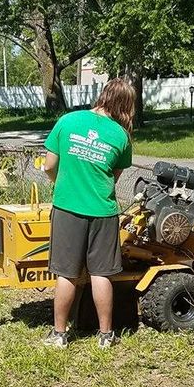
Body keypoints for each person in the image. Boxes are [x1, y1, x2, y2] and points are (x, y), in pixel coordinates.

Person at [42, 78, 135, 349]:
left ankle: (59, 335)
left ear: (104, 95)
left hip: (68, 208)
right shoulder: (121, 136)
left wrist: (65, 182)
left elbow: (49, 166)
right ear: (125, 105)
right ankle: (106, 336)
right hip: (103, 212)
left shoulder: (68, 121)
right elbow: (113, 176)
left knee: (66, 274)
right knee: (101, 274)